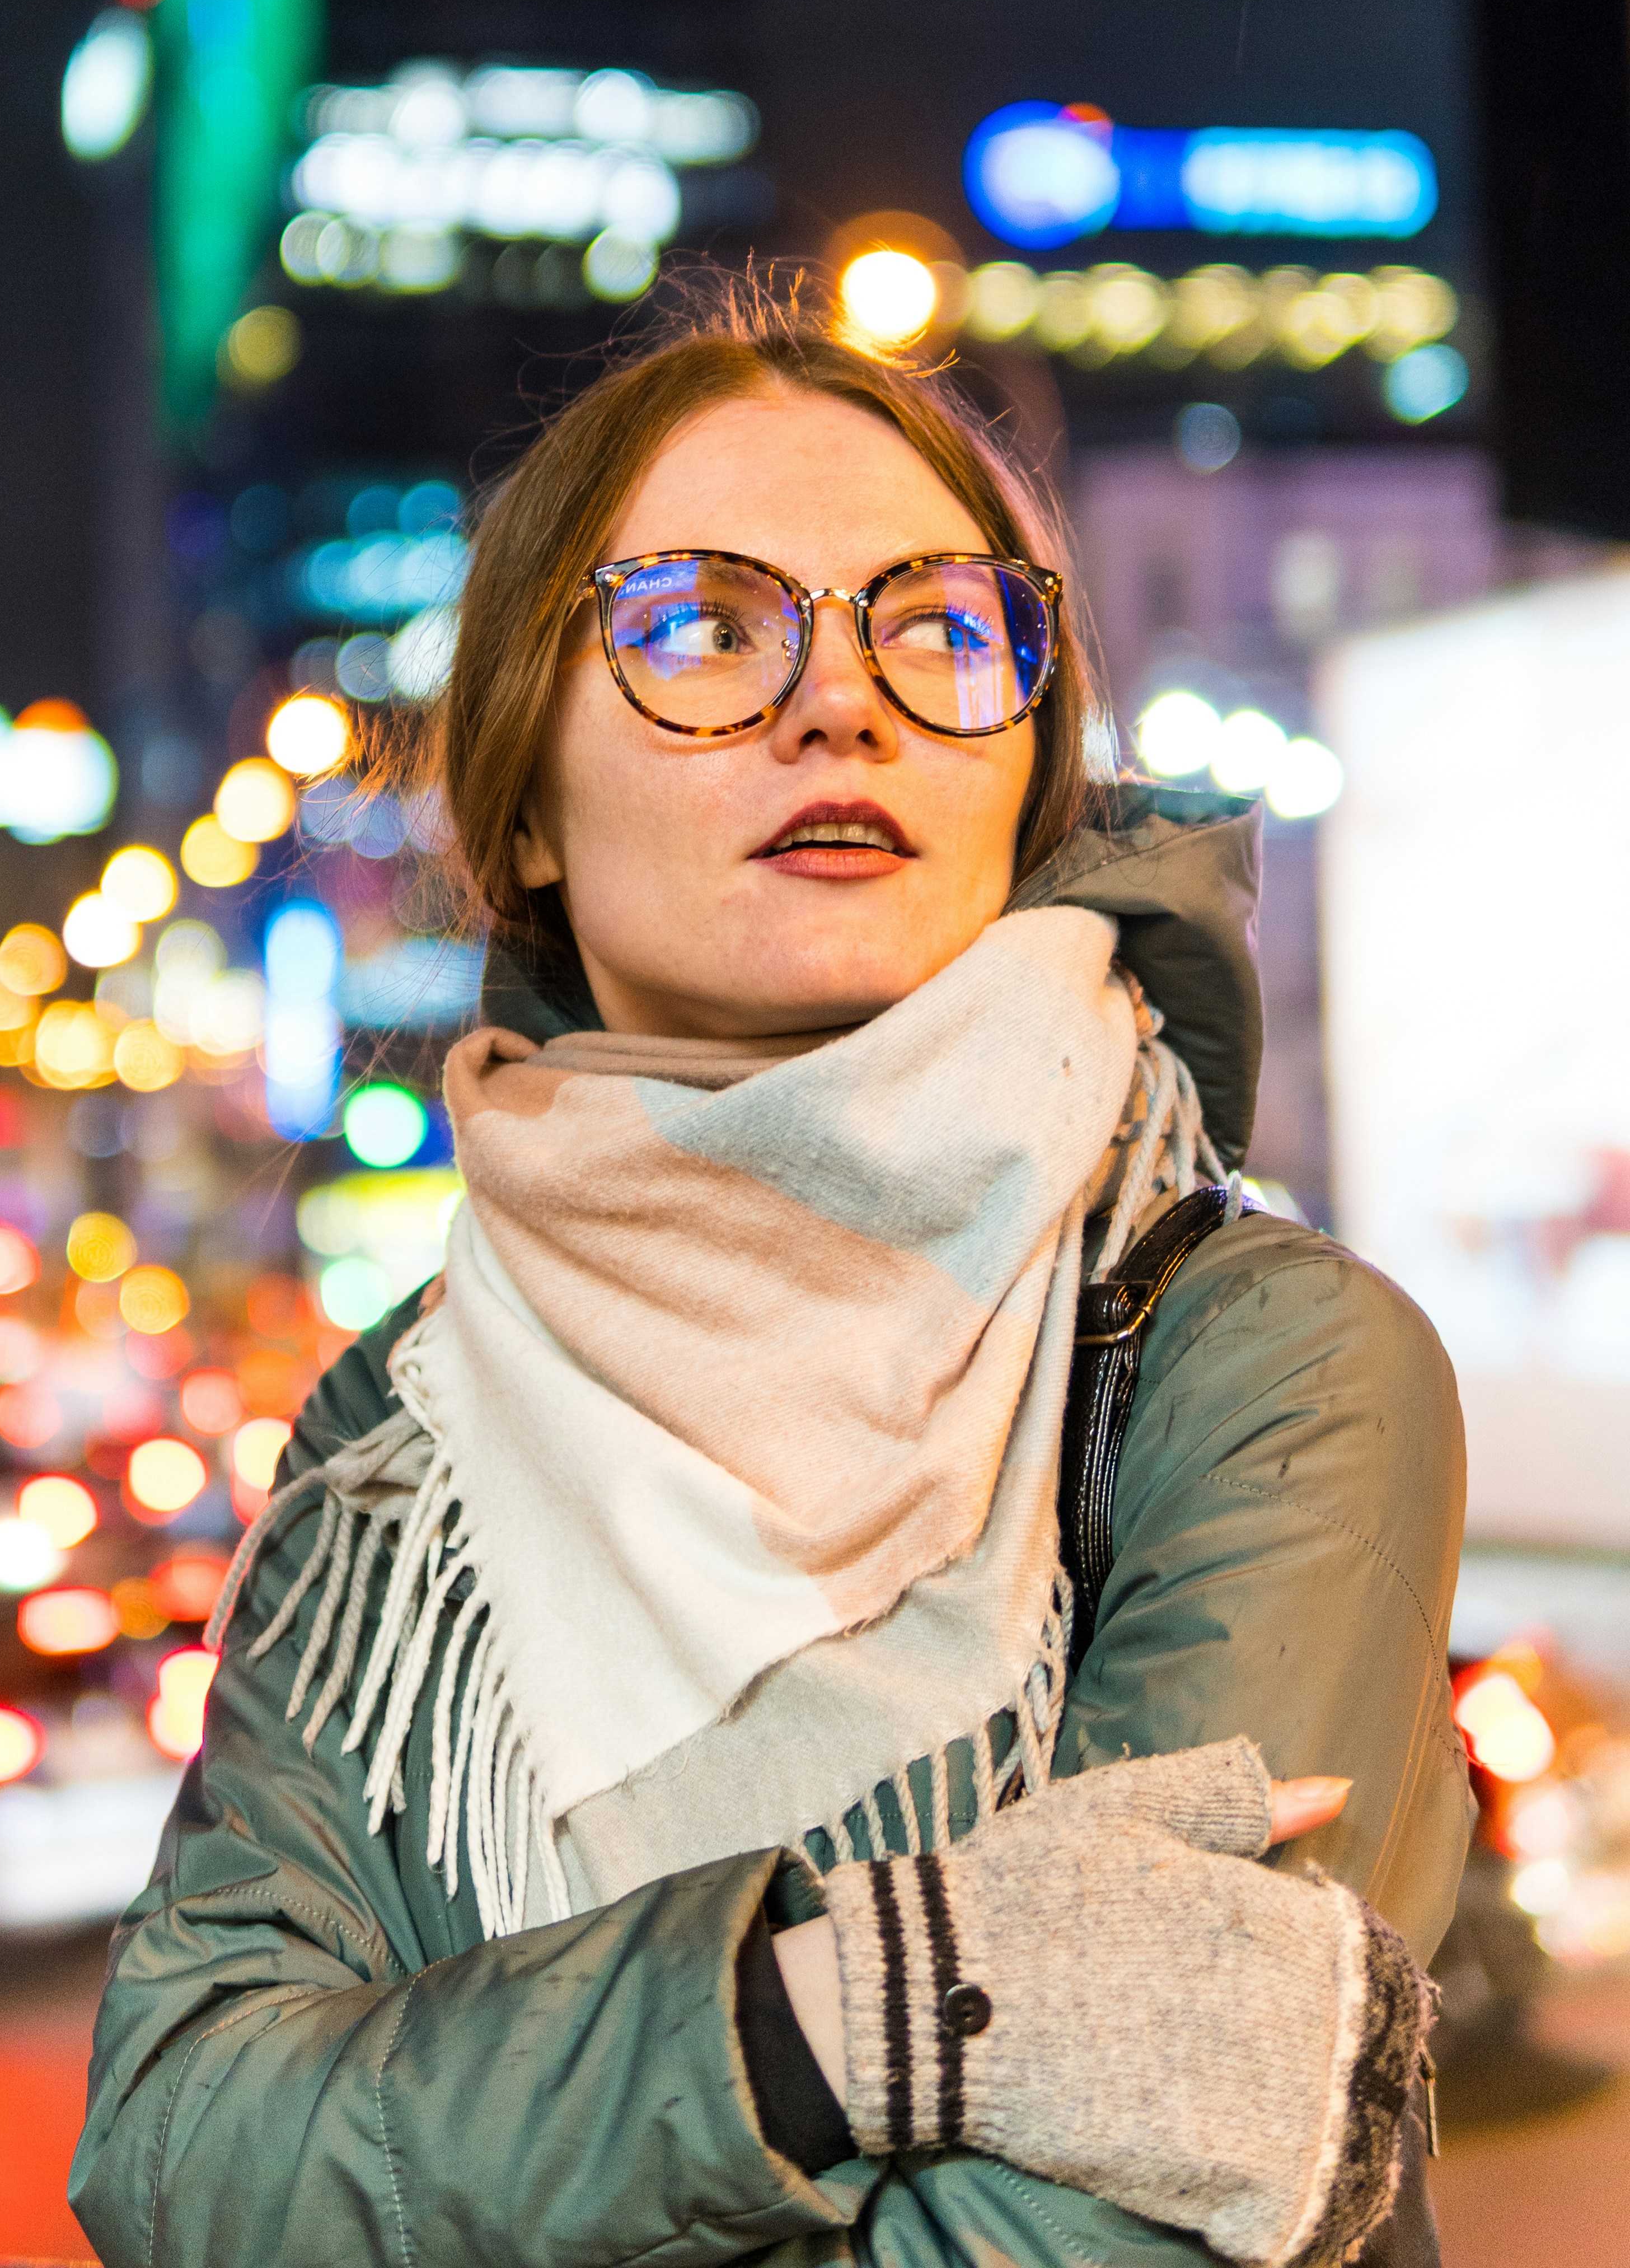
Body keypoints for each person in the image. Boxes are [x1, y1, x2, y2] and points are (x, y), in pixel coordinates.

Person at [74, 302, 1469, 2268]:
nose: (846, 702)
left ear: (1026, 771)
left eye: (939, 627)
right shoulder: (402, 1439)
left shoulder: (1256, 1361)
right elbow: (186, 2142)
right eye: (707, 627)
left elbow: (1153, 2187)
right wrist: (846, 2013)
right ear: (524, 806)